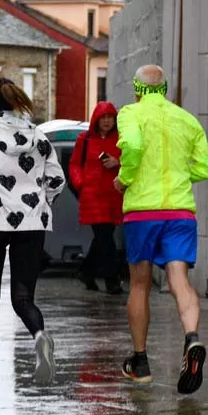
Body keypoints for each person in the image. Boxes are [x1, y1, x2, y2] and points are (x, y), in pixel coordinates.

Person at [0, 77, 66, 394]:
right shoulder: (37, 136)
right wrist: (41, 202)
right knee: (23, 298)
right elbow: (57, 180)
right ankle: (38, 336)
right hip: (31, 224)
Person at [115, 65, 208, 392]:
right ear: (166, 90)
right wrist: (180, 177)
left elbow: (130, 147)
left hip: (143, 211)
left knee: (140, 284)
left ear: (137, 90)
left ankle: (140, 361)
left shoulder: (130, 113)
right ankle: (191, 337)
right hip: (180, 211)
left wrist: (125, 178)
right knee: (179, 278)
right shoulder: (187, 120)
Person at [70, 101, 124, 294]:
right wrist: (81, 183)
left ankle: (86, 270)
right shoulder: (84, 140)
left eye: (110, 117)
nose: (107, 121)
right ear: (97, 119)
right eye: (103, 118)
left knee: (103, 236)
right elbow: (75, 164)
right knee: (104, 236)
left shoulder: (121, 139)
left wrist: (117, 163)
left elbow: (130, 162)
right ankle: (112, 279)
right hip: (92, 195)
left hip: (113, 195)